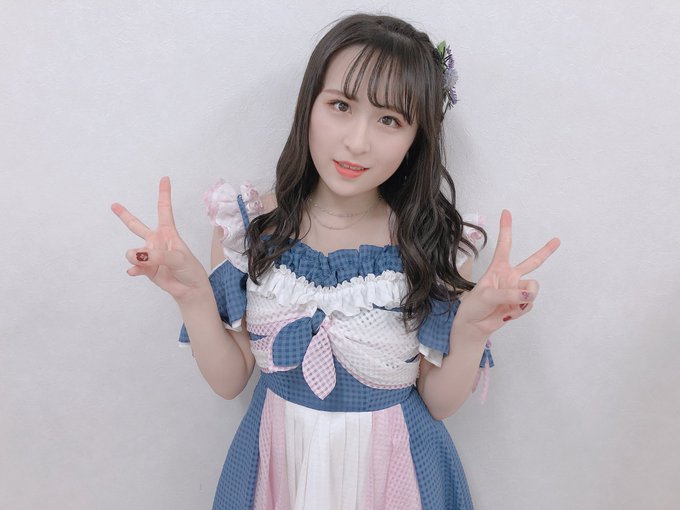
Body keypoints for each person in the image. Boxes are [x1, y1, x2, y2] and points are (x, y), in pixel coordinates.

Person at [111, 13, 560, 510]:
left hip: (395, 475)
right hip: (277, 469)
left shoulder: (436, 244)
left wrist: (473, 331)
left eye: (390, 120)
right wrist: (194, 296)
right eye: (341, 106)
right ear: (309, 104)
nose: (357, 142)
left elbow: (438, 402)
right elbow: (229, 380)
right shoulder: (248, 226)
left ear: (417, 138)